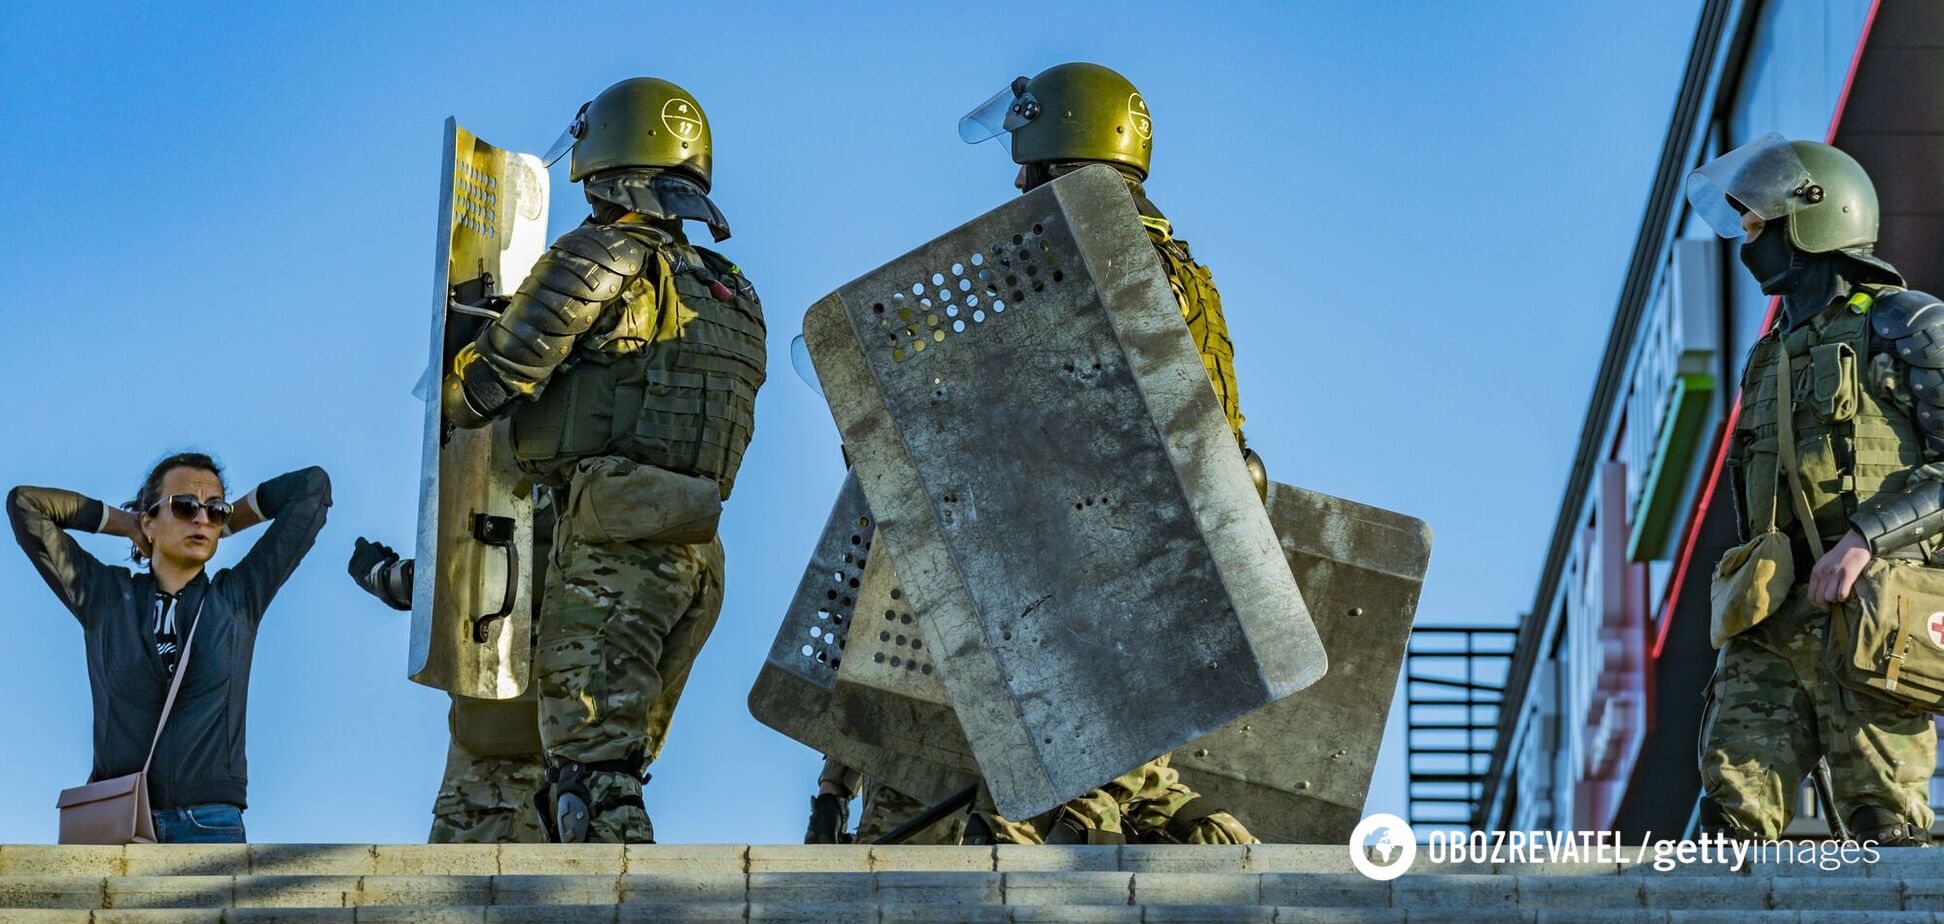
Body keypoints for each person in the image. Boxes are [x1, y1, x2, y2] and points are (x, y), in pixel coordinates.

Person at [442, 76, 766, 843]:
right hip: (694, 551)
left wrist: (461, 351)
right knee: (614, 767)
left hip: (611, 549)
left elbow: (486, 388)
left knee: (590, 781)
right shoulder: (730, 288)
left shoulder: (600, 253)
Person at [955, 62, 1257, 846]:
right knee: (1137, 770)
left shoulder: (1065, 249)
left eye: (1028, 158)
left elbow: (1016, 395)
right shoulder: (1176, 261)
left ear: (1059, 144)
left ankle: (1072, 830)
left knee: (1046, 794)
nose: (1018, 178)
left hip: (1093, 539)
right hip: (1187, 544)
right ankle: (1202, 833)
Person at [1689, 134, 1937, 845]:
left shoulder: (1906, 323)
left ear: (1815, 215)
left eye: (1760, 221)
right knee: (1728, 821)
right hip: (1772, 614)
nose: (1748, 239)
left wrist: (1864, 540)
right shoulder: (1770, 353)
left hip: (1875, 612)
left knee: (1885, 827)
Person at [8, 454, 330, 843]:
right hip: (118, 822)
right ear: (150, 521)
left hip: (211, 823)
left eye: (215, 509)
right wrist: (127, 523)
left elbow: (311, 488)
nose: (201, 519)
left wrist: (225, 524)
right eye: (184, 507)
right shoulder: (106, 597)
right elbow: (27, 504)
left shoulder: (237, 598)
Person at [347, 534, 547, 844]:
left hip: (498, 760)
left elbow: (479, 573)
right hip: (589, 747)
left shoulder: (535, 493)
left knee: (468, 884)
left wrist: (388, 578)